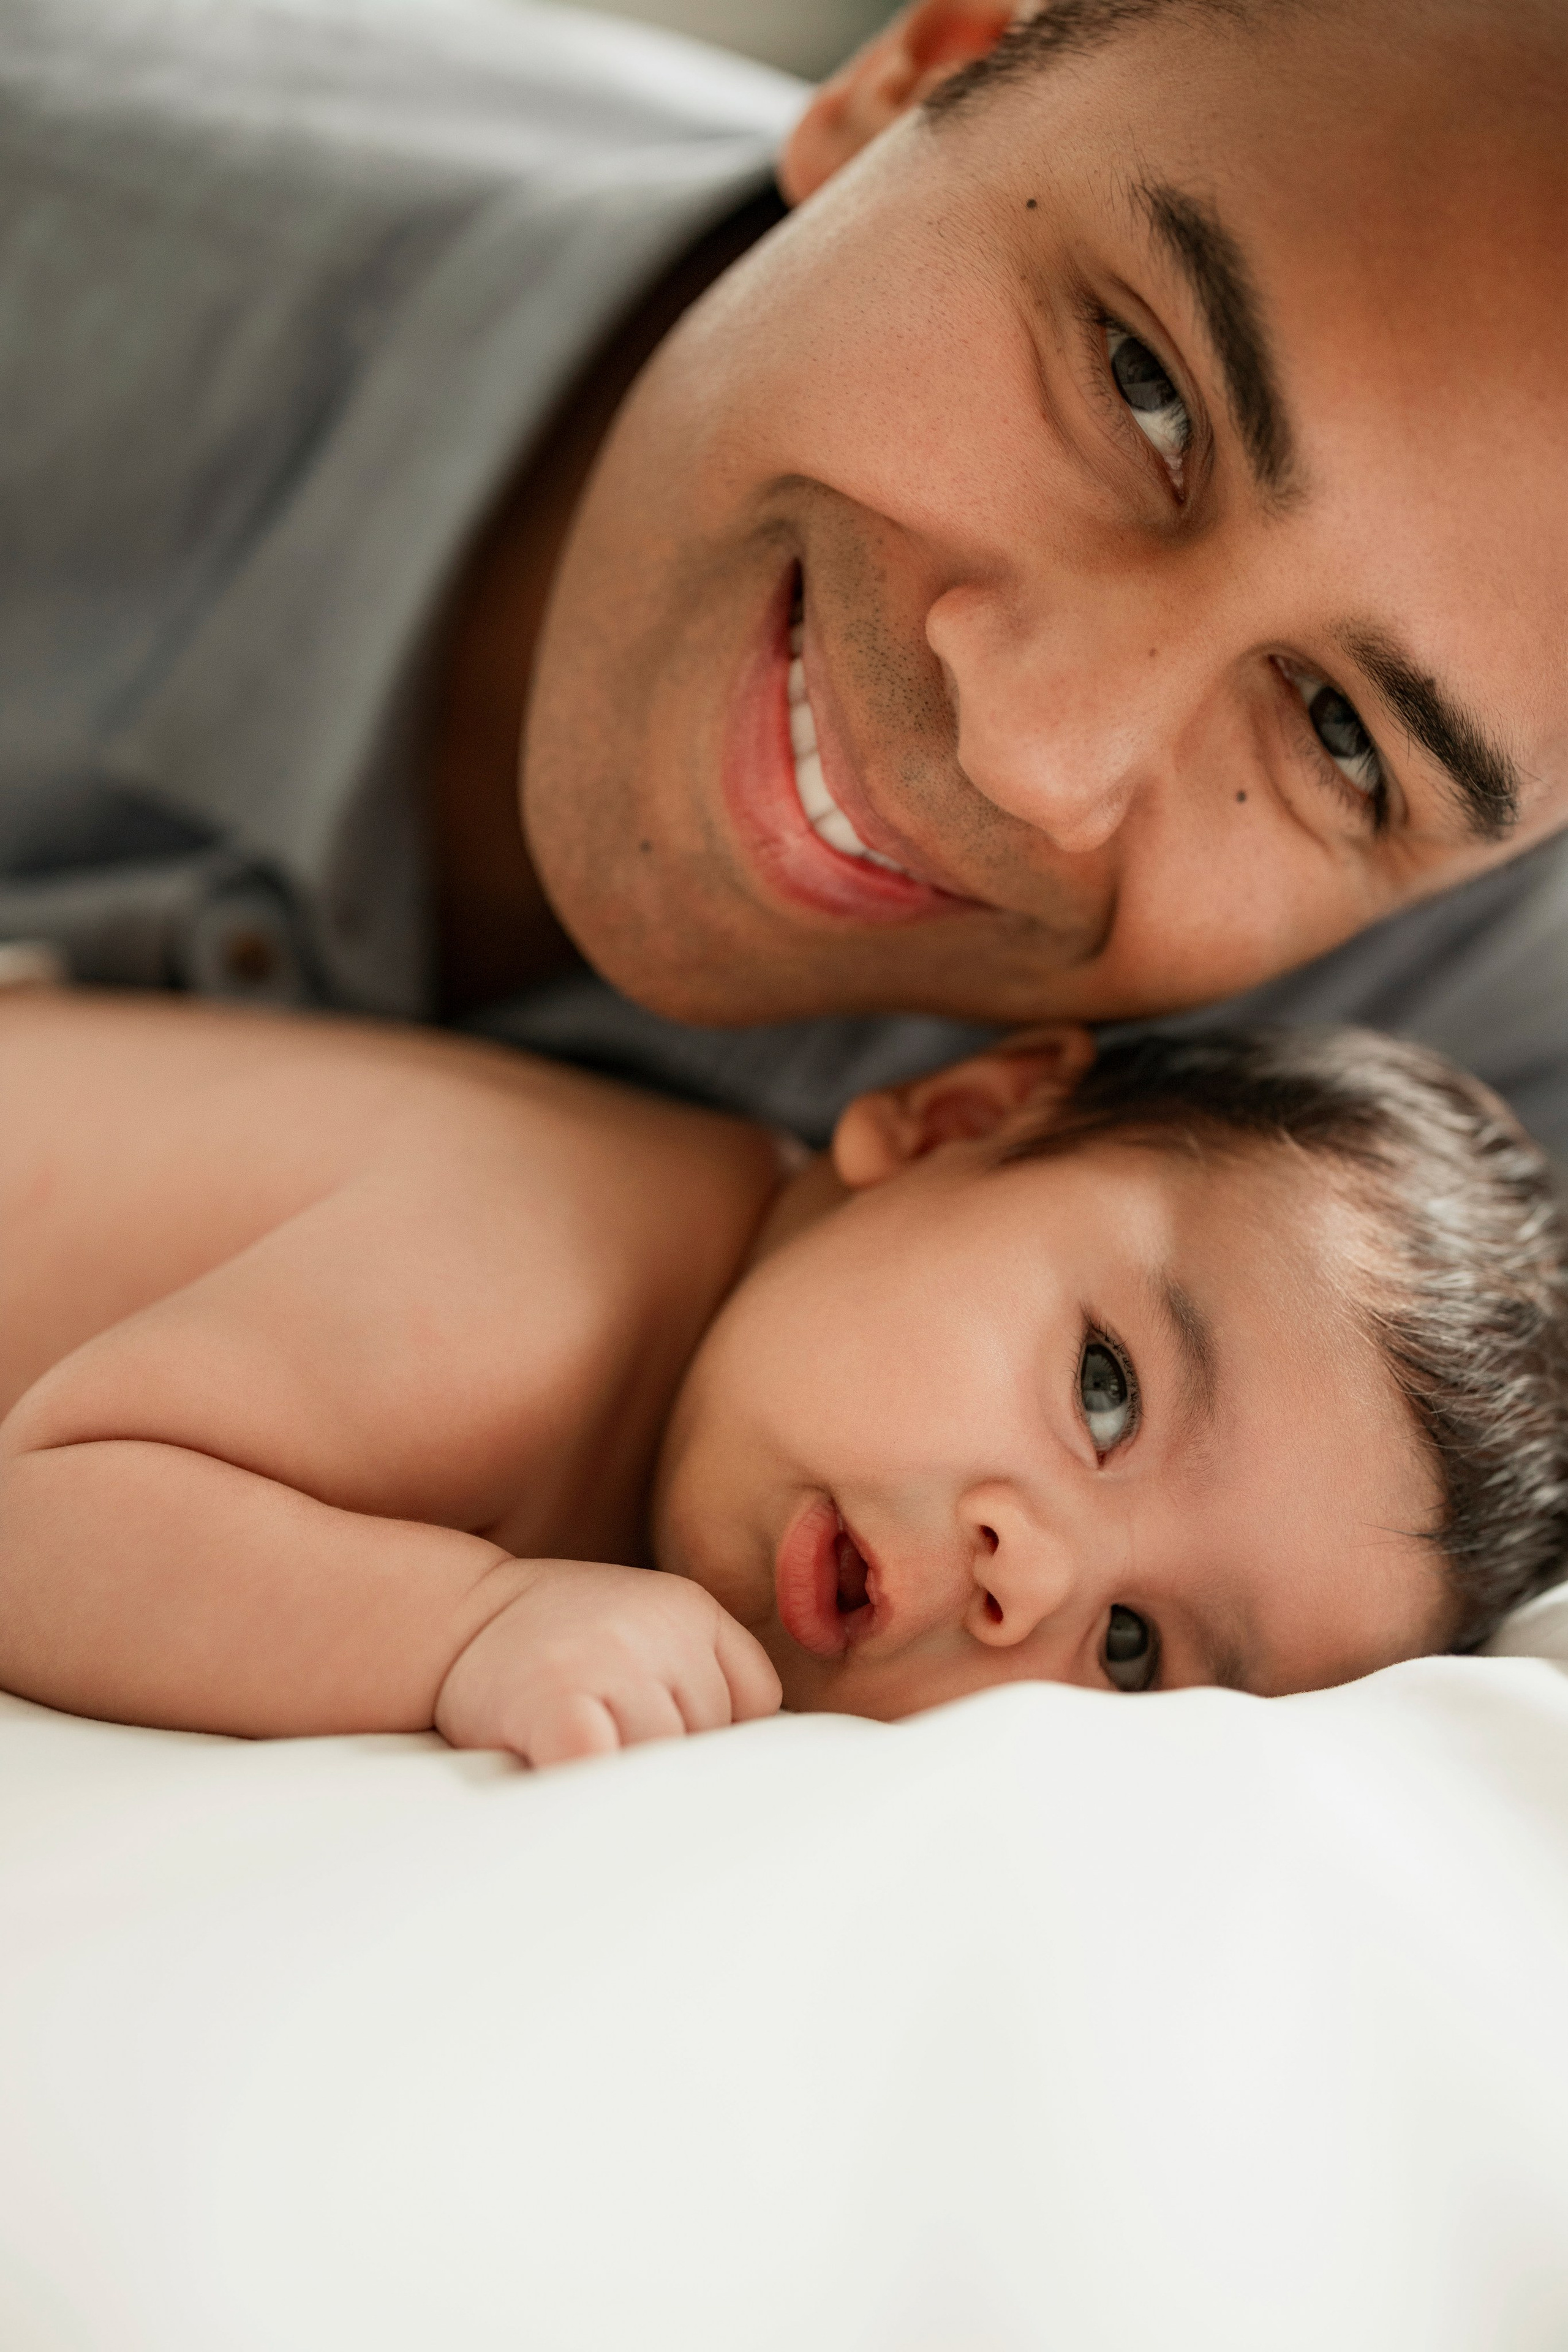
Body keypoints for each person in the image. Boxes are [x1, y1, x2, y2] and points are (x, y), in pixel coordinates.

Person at [1, 0, 1565, 1152]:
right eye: (1143, 390)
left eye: (1341, 738)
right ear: (921, 73)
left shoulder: (1480, 1100)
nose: (1035, 753)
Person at [2, 984, 1563, 1763]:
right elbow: (46, 1517)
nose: (1035, 1579)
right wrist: (462, 1628)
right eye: (1103, 1390)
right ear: (957, 1121)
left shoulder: (708, 1390)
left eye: (1137, 1651)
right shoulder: (533, 1274)